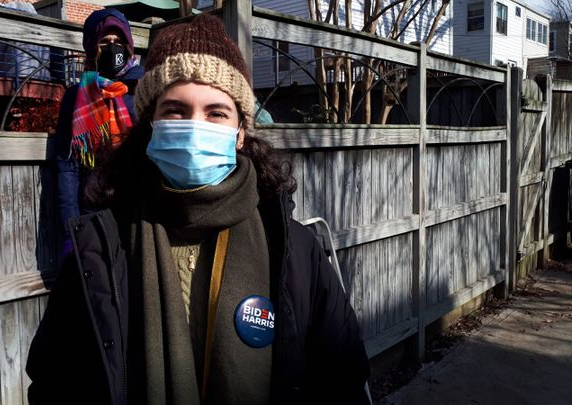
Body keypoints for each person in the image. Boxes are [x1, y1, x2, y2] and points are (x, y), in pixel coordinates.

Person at [27, 13, 370, 404]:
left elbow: (342, 378)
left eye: (216, 113)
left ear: (241, 132)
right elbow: (53, 384)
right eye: (175, 109)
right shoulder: (101, 251)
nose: (195, 125)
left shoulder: (293, 249)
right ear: (149, 123)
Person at [54, 8, 144, 258]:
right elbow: (67, 164)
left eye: (118, 41)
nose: (112, 48)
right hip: (92, 209)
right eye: (104, 41)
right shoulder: (77, 95)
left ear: (128, 46)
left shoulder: (142, 88)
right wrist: (70, 227)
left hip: (137, 209)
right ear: (92, 46)